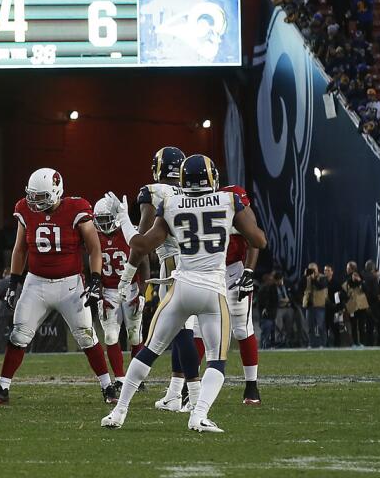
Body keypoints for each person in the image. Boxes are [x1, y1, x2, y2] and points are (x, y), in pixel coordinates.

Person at [102, 153, 268, 434]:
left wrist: (124, 220)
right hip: (213, 291)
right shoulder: (229, 200)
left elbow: (141, 245)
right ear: (212, 177)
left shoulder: (170, 203)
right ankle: (198, 415)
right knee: (217, 360)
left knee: (149, 352)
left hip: (181, 287)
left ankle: (119, 412)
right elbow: (259, 241)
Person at [0, 168, 110, 406]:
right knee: (18, 334)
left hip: (70, 284)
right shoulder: (24, 209)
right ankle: (2, 389)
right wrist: (14, 282)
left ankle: (107, 387)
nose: (34, 201)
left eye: (40, 197)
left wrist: (95, 279)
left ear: (55, 192)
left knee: (86, 336)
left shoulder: (77, 208)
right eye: (32, 196)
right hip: (36, 282)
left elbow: (94, 248)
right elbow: (20, 249)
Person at [134, 146, 199, 410]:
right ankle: (175, 393)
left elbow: (143, 238)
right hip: (197, 265)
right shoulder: (194, 192)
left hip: (171, 267)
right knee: (182, 331)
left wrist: (130, 270)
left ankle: (192, 393)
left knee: (179, 333)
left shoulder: (154, 191)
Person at [95, 193, 146, 383]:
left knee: (134, 334)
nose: (103, 224)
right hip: (109, 289)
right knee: (110, 335)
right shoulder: (95, 237)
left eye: (106, 219)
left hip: (131, 287)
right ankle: (120, 378)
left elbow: (144, 259)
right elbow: (92, 265)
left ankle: (136, 379)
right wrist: (99, 291)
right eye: (99, 220)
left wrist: (142, 288)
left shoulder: (127, 231)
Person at [221, 185, 262, 402]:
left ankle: (251, 386)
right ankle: (186, 386)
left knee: (242, 328)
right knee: (197, 328)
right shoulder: (207, 205)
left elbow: (255, 239)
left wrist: (248, 271)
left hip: (233, 269)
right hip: (208, 269)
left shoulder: (235, 204)